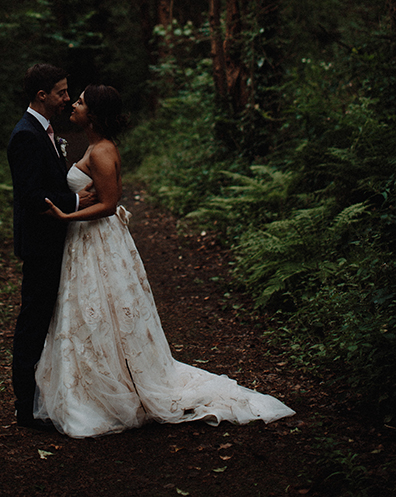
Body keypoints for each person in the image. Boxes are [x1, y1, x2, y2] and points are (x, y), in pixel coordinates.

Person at [35, 84, 295, 438]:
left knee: (105, 307)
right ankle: (99, 378)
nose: (73, 106)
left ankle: (115, 386)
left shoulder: (101, 152)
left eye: (79, 102)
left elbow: (110, 204)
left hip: (97, 239)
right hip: (87, 241)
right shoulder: (95, 147)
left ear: (93, 114)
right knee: (91, 310)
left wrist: (66, 217)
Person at [7, 63, 95, 430]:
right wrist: (77, 203)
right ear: (42, 95)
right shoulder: (25, 135)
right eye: (61, 92)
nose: (66, 98)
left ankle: (50, 398)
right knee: (34, 322)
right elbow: (30, 195)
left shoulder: (45, 131)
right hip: (41, 244)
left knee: (52, 320)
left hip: (56, 241)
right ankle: (26, 408)